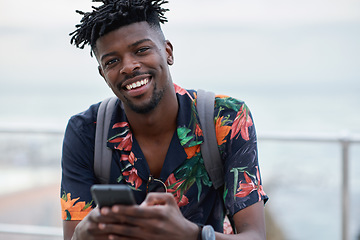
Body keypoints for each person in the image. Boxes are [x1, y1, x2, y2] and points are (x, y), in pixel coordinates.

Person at [61, 0, 268, 239]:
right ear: (103, 74)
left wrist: (192, 234)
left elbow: (254, 235)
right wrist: (82, 235)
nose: (128, 66)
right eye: (112, 61)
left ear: (168, 52)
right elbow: (72, 236)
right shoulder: (86, 131)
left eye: (141, 50)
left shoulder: (226, 118)